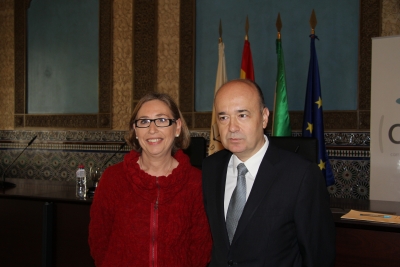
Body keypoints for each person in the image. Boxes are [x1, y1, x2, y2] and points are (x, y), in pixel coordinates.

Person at [202, 79, 336, 266]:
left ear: (264, 117)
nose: (232, 127)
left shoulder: (301, 175)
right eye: (223, 117)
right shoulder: (210, 169)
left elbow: (318, 255)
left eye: (242, 115)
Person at [89, 93, 212, 267]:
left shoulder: (196, 183)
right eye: (144, 121)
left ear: (177, 127)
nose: (152, 129)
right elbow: (99, 241)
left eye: (161, 120)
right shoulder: (112, 179)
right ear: (135, 130)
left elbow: (201, 248)